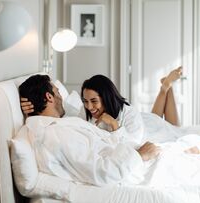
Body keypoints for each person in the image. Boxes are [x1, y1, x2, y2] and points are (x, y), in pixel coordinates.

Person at [19, 74, 160, 186]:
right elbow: (102, 171)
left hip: (144, 133)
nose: (89, 107)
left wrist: (114, 125)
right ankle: (165, 89)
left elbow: (129, 141)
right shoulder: (56, 133)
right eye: (58, 92)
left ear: (106, 98)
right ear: (49, 97)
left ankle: (165, 89)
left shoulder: (63, 125)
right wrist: (139, 156)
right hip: (134, 158)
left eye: (94, 101)